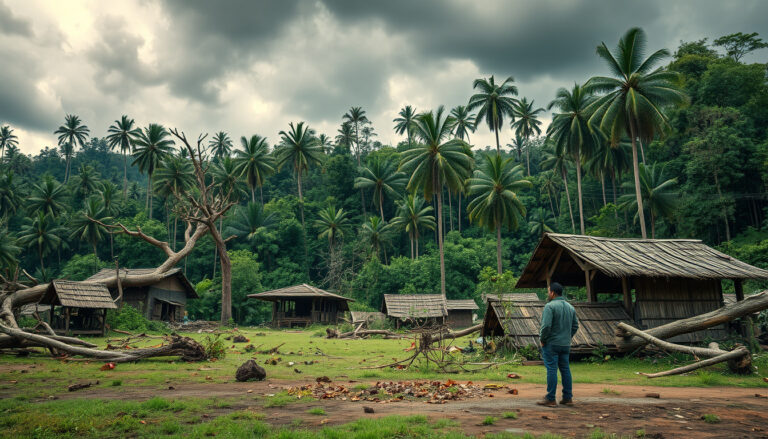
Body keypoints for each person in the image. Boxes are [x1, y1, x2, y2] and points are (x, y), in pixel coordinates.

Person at [536, 282, 578, 407]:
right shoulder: (570, 307)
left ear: (553, 293)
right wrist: (567, 337)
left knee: (552, 369)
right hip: (565, 344)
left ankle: (550, 398)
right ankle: (567, 397)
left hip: (552, 343)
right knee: (565, 369)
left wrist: (543, 339)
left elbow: (546, 326)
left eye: (549, 291)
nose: (548, 294)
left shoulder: (550, 306)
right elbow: (575, 326)